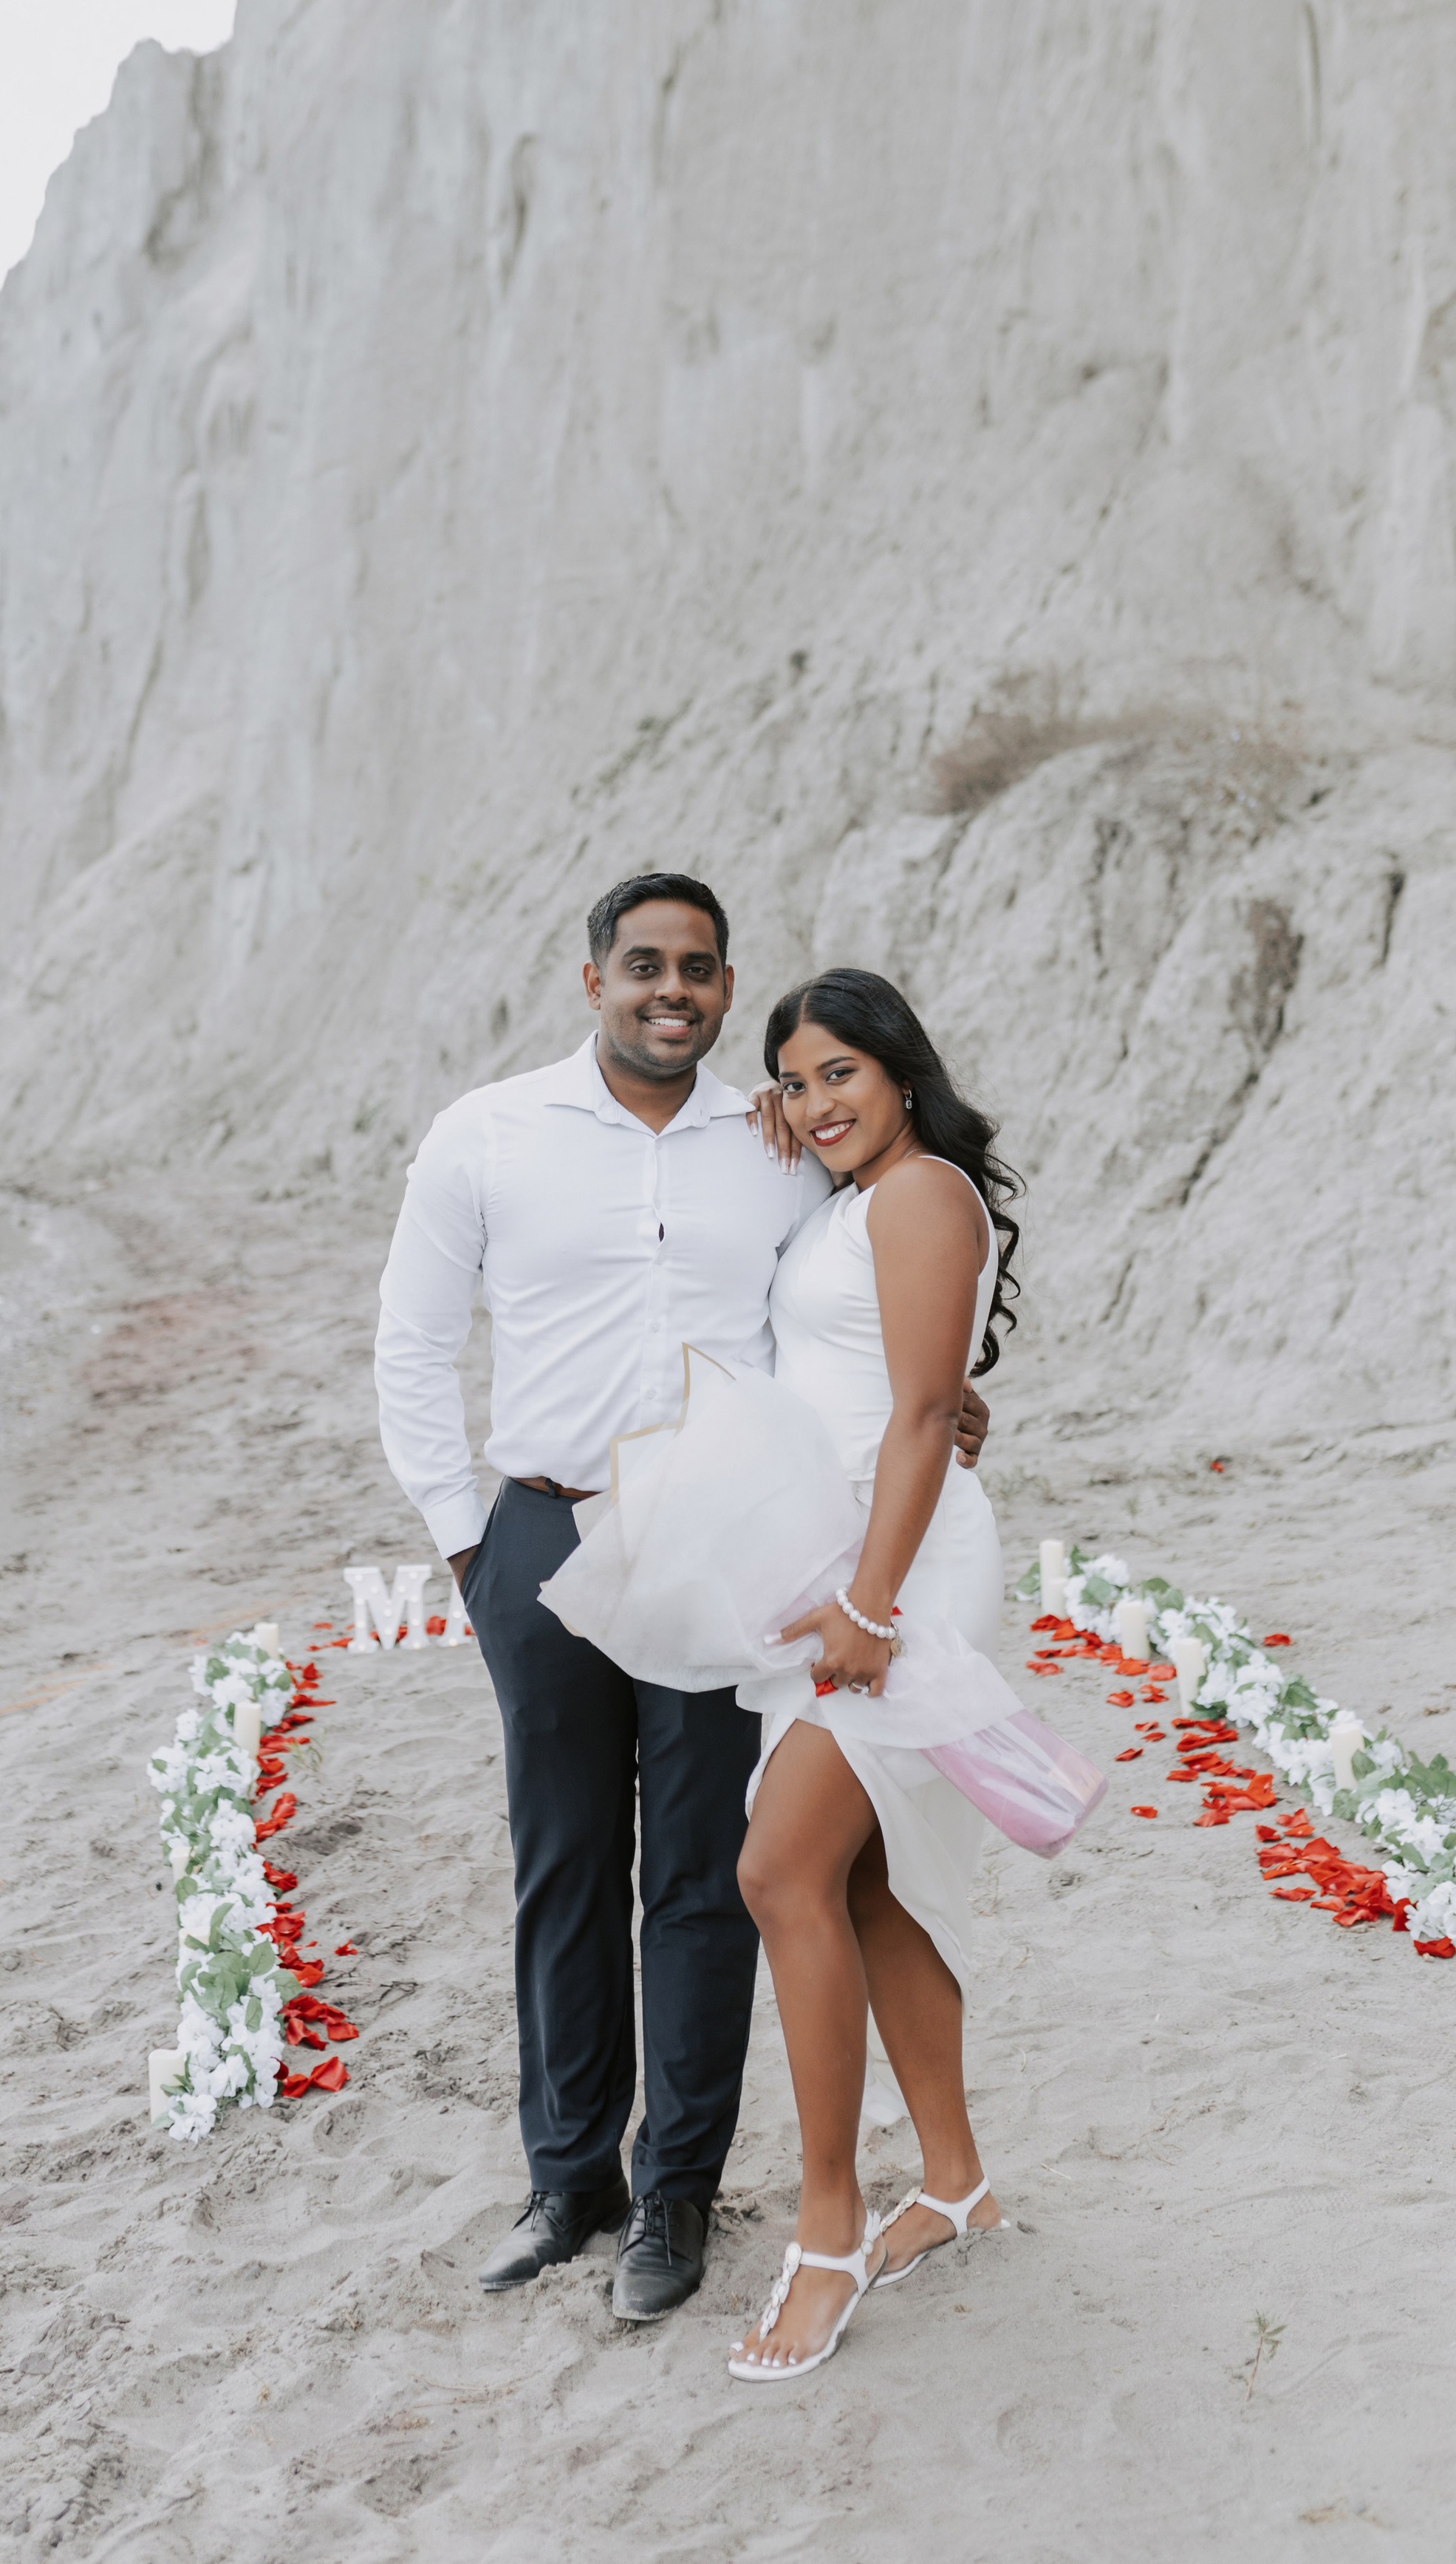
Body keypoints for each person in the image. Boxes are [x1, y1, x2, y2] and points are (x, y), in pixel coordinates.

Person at [373, 880, 990, 2321]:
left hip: (726, 1550)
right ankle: (568, 2179)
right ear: (591, 977)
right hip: (543, 1536)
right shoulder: (486, 1134)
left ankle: (676, 2193)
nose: (672, 989)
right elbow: (410, 1346)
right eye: (643, 964)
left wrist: (951, 1409)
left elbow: (878, 1311)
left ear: (721, 988)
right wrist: (467, 1547)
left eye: (698, 969)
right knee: (562, 1862)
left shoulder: (774, 1144)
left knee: (707, 1877)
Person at [725, 967, 1022, 2383]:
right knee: (868, 1883)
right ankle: (955, 2182)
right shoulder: (856, 1195)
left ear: (903, 1067)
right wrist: (775, 1123)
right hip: (845, 1566)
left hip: (898, 1578)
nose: (815, 1103)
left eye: (840, 1071)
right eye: (795, 1082)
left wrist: (870, 1604)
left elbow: (919, 1414)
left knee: (779, 1870)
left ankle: (830, 2227)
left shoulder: (922, 1196)